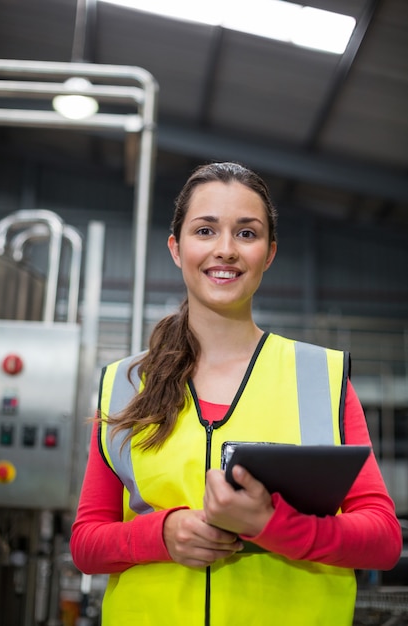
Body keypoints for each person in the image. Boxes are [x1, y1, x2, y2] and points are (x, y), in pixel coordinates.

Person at [70, 161, 402, 626]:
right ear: (176, 247)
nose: (225, 250)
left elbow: (384, 539)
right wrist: (161, 534)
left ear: (268, 254)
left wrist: (271, 526)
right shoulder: (125, 384)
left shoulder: (320, 377)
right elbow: (86, 541)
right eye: (205, 230)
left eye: (246, 234)